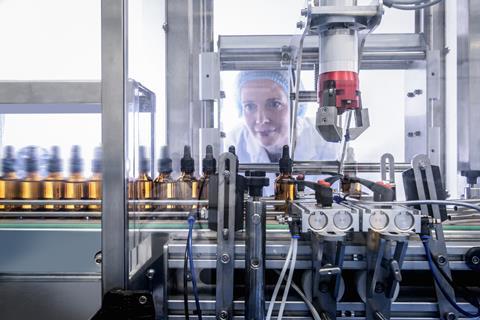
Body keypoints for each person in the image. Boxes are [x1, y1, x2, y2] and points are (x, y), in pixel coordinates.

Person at [224, 70, 339, 164]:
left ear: (295, 105)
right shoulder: (234, 144)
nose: (261, 119)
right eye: (249, 106)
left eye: (274, 104)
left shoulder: (326, 143)